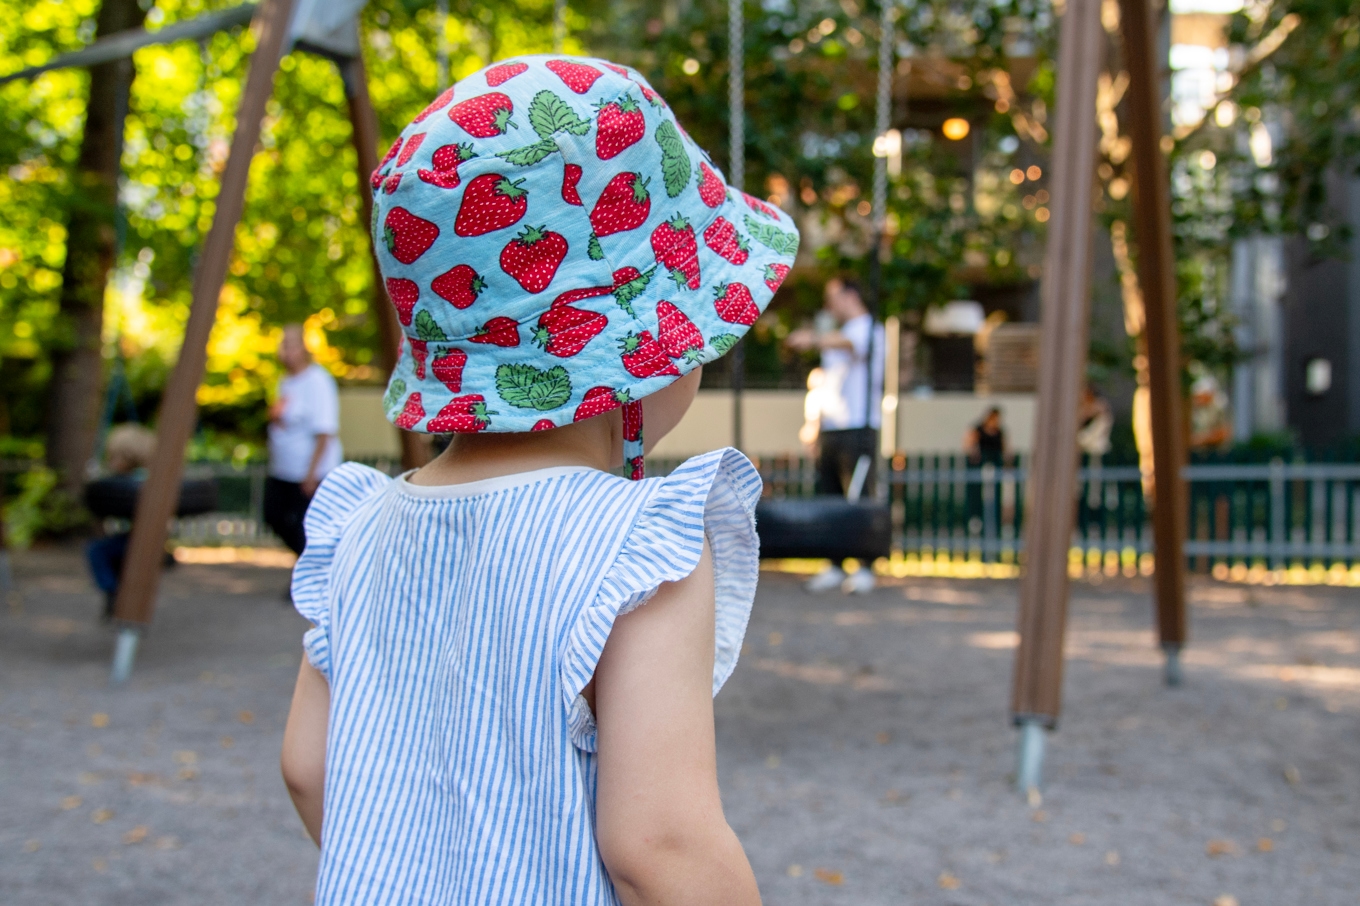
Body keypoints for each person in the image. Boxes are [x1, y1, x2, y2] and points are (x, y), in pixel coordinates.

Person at [280, 57, 800, 906]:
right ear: (642, 350)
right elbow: (660, 844)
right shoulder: (642, 546)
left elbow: (309, 768)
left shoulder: (358, 523)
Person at [785, 276, 885, 594]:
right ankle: (835, 564)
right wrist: (814, 424)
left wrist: (812, 339)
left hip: (859, 426)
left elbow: (851, 345)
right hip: (833, 428)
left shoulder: (870, 329)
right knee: (831, 497)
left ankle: (865, 566)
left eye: (832, 297)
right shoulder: (838, 336)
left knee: (858, 496)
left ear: (850, 295)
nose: (830, 305)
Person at [265, 324, 341, 556]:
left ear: (304, 348)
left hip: (309, 473)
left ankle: (318, 575)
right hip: (283, 470)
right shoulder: (285, 381)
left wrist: (311, 474)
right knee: (273, 515)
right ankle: (310, 571)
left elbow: (324, 431)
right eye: (283, 344)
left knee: (306, 528)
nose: (285, 350)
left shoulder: (318, 380)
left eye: (290, 344)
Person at [85, 423, 156, 618]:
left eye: (114, 457)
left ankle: (111, 591)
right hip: (136, 537)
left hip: (140, 540)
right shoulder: (119, 482)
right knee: (111, 552)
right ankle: (116, 592)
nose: (111, 461)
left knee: (96, 551)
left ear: (127, 457)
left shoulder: (136, 482)